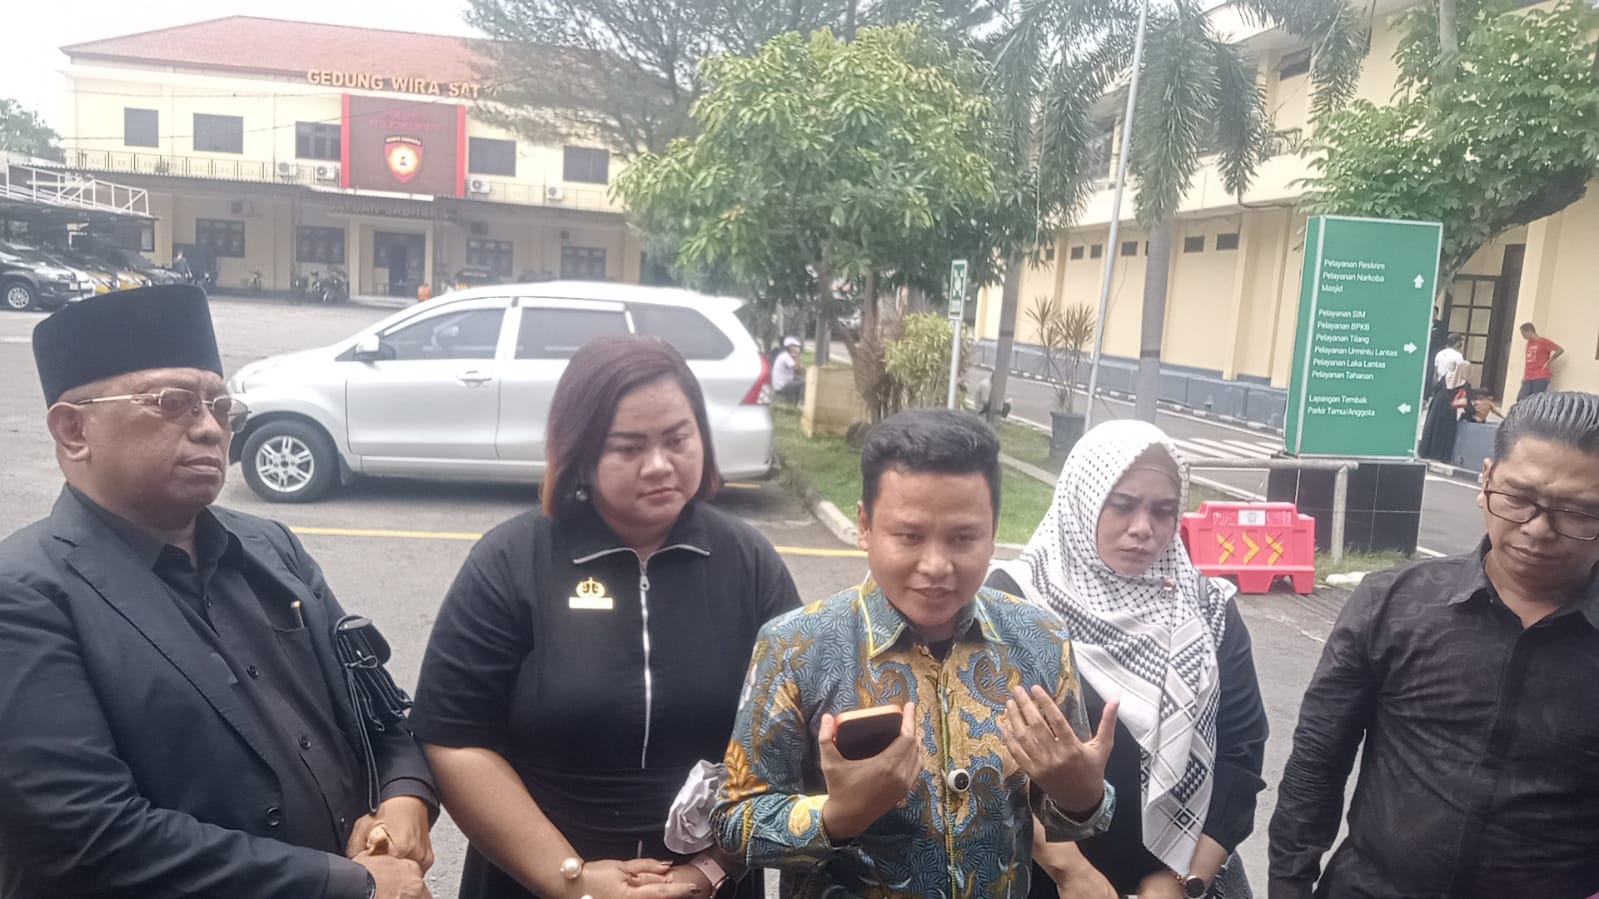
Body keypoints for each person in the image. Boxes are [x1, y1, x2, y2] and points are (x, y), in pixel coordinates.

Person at [0, 285, 435, 899]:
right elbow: (85, 836)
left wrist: (405, 796)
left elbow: (377, 710)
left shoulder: (270, 547)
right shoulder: (26, 594)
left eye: (221, 406)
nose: (209, 428)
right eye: (172, 402)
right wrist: (345, 883)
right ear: (74, 430)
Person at [409, 334, 802, 899]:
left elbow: (788, 737)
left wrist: (710, 871)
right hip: (536, 880)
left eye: (678, 439)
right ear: (581, 451)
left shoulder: (750, 563)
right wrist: (571, 877)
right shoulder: (511, 562)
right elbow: (455, 738)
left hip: (706, 885)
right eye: (628, 447)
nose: (659, 465)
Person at [715, 409, 1119, 899]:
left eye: (963, 537)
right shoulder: (796, 646)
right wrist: (837, 816)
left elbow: (1067, 817)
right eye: (909, 536)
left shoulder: (1039, 639)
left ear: (994, 530)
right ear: (865, 526)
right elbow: (735, 821)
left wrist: (1083, 797)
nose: (936, 565)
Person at [1269, 390, 1599, 899]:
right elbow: (1318, 761)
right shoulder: (1391, 605)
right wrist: (1289, 885)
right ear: (1486, 479)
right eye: (1518, 498)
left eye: (1575, 511)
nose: (1538, 529)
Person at [989, 420, 1268, 899]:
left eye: (1163, 511)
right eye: (1122, 504)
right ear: (1083, 499)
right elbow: (986, 759)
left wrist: (1182, 880)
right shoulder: (1014, 601)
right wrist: (1072, 873)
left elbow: (1240, 755)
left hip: (1184, 878)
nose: (1143, 529)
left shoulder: (1206, 609)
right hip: (1049, 879)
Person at [1417, 332, 1469, 462]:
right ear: (1457, 343)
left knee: (1433, 421)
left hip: (1440, 389)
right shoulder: (1458, 356)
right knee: (1446, 423)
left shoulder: (1440, 354)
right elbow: (1459, 375)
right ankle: (1441, 453)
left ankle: (1427, 450)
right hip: (1451, 390)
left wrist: (1436, 387)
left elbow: (1435, 373)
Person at [1517, 322, 1563, 400]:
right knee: (1521, 398)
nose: (1523, 336)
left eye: (1523, 334)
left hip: (1540, 375)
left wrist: (1549, 361)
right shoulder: (1529, 344)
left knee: (1536, 399)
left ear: (1529, 331)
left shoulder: (1543, 341)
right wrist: (1524, 376)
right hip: (1529, 376)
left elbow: (1559, 350)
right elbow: (1528, 361)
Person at [772, 335, 804, 402]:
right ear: (790, 347)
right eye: (795, 346)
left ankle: (794, 402)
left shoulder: (785, 355)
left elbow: (795, 371)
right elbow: (797, 369)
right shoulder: (785, 357)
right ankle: (801, 403)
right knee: (804, 384)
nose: (797, 348)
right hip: (782, 386)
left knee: (799, 379)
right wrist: (797, 355)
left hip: (781, 385)